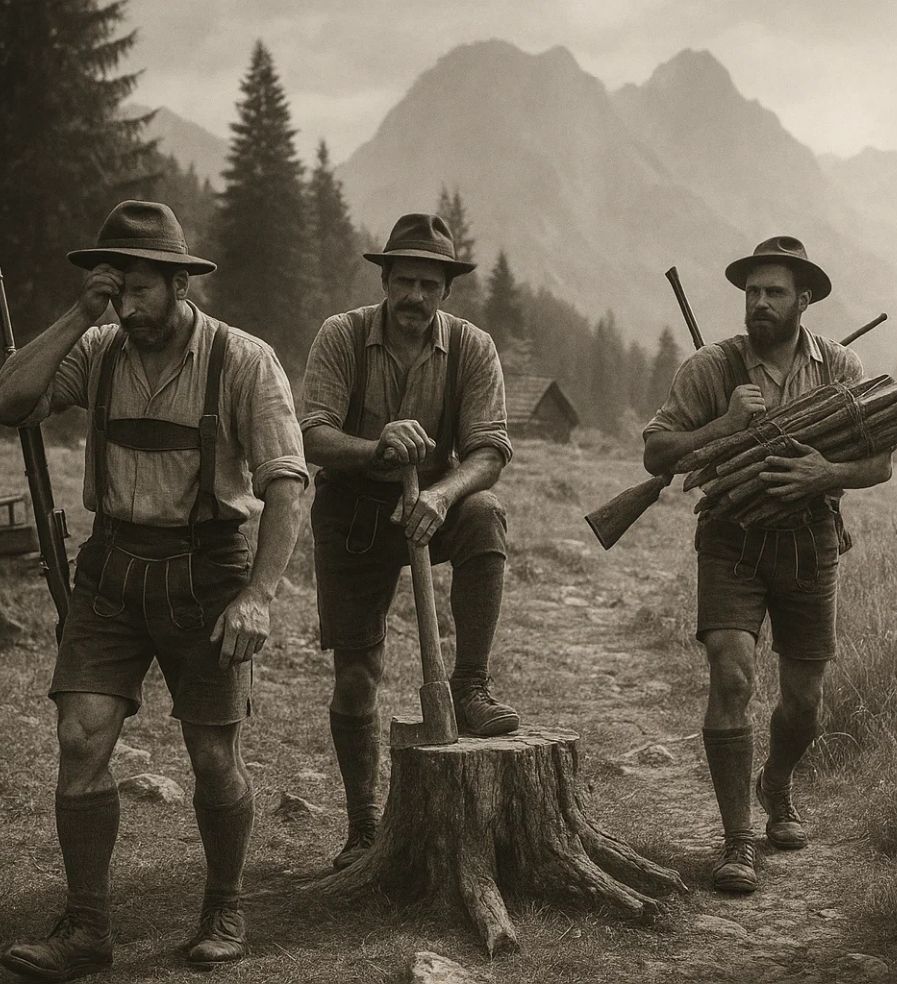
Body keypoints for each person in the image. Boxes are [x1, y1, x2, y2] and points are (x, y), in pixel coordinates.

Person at [0, 200, 308, 977]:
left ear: (179, 284)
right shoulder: (97, 348)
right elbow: (8, 401)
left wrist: (260, 595)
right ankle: (87, 929)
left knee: (210, 753)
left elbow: (286, 486)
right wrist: (80, 310)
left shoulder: (243, 360)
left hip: (210, 572)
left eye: (140, 289)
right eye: (116, 288)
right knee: (81, 739)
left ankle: (224, 906)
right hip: (110, 568)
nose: (127, 307)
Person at [643, 236, 895, 893]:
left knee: (804, 702)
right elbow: (657, 454)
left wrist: (825, 472)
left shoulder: (841, 367)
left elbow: (881, 462)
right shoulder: (711, 367)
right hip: (730, 541)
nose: (759, 302)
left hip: (811, 539)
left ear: (804, 299)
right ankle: (737, 840)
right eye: (752, 291)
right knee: (731, 675)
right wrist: (722, 426)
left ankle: (776, 783)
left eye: (774, 292)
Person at [301, 212, 516, 870]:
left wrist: (442, 493)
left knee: (484, 514)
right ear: (386, 281)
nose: (416, 296)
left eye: (429, 284)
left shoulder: (473, 349)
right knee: (355, 677)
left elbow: (489, 449)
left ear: (446, 290)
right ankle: (364, 821)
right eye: (405, 281)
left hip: (432, 502)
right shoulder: (341, 337)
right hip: (353, 511)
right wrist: (377, 448)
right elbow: (311, 435)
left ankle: (471, 686)